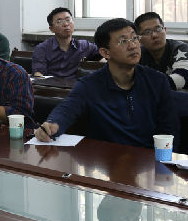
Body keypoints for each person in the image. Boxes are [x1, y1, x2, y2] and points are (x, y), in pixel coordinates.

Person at [35, 18, 178, 148]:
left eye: (134, 38)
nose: (133, 46)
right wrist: (53, 124)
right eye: (123, 41)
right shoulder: (89, 85)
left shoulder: (157, 81)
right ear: (105, 53)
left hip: (149, 160)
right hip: (107, 160)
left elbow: (170, 130)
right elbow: (68, 109)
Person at [134, 12, 188, 92]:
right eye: (147, 32)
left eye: (158, 29)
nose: (155, 35)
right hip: (160, 95)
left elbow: (178, 81)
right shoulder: (140, 53)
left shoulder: (180, 48)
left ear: (165, 30)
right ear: (139, 39)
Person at [31, 7, 100, 78]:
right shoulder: (42, 49)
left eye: (68, 20)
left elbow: (102, 54)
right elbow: (38, 74)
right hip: (51, 84)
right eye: (59, 21)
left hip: (76, 84)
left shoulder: (84, 46)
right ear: (52, 29)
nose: (66, 24)